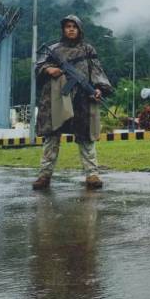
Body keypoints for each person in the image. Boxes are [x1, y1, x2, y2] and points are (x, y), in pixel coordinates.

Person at [32, 15, 113, 190]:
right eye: (67, 26)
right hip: (57, 99)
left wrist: (99, 89)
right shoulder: (53, 50)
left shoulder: (87, 49)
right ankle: (44, 175)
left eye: (74, 26)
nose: (71, 29)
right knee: (52, 137)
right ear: (63, 29)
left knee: (86, 137)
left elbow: (97, 70)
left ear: (79, 29)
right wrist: (48, 69)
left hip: (82, 98)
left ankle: (92, 174)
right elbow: (38, 67)